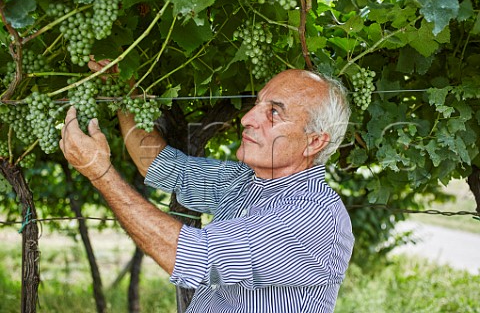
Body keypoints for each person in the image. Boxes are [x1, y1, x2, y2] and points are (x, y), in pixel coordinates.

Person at [60, 69, 354, 313]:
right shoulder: (245, 181)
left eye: (274, 112)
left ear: (314, 142)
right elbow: (160, 166)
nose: (248, 119)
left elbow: (195, 257)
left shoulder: (314, 216)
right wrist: (124, 93)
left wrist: (99, 172)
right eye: (258, 105)